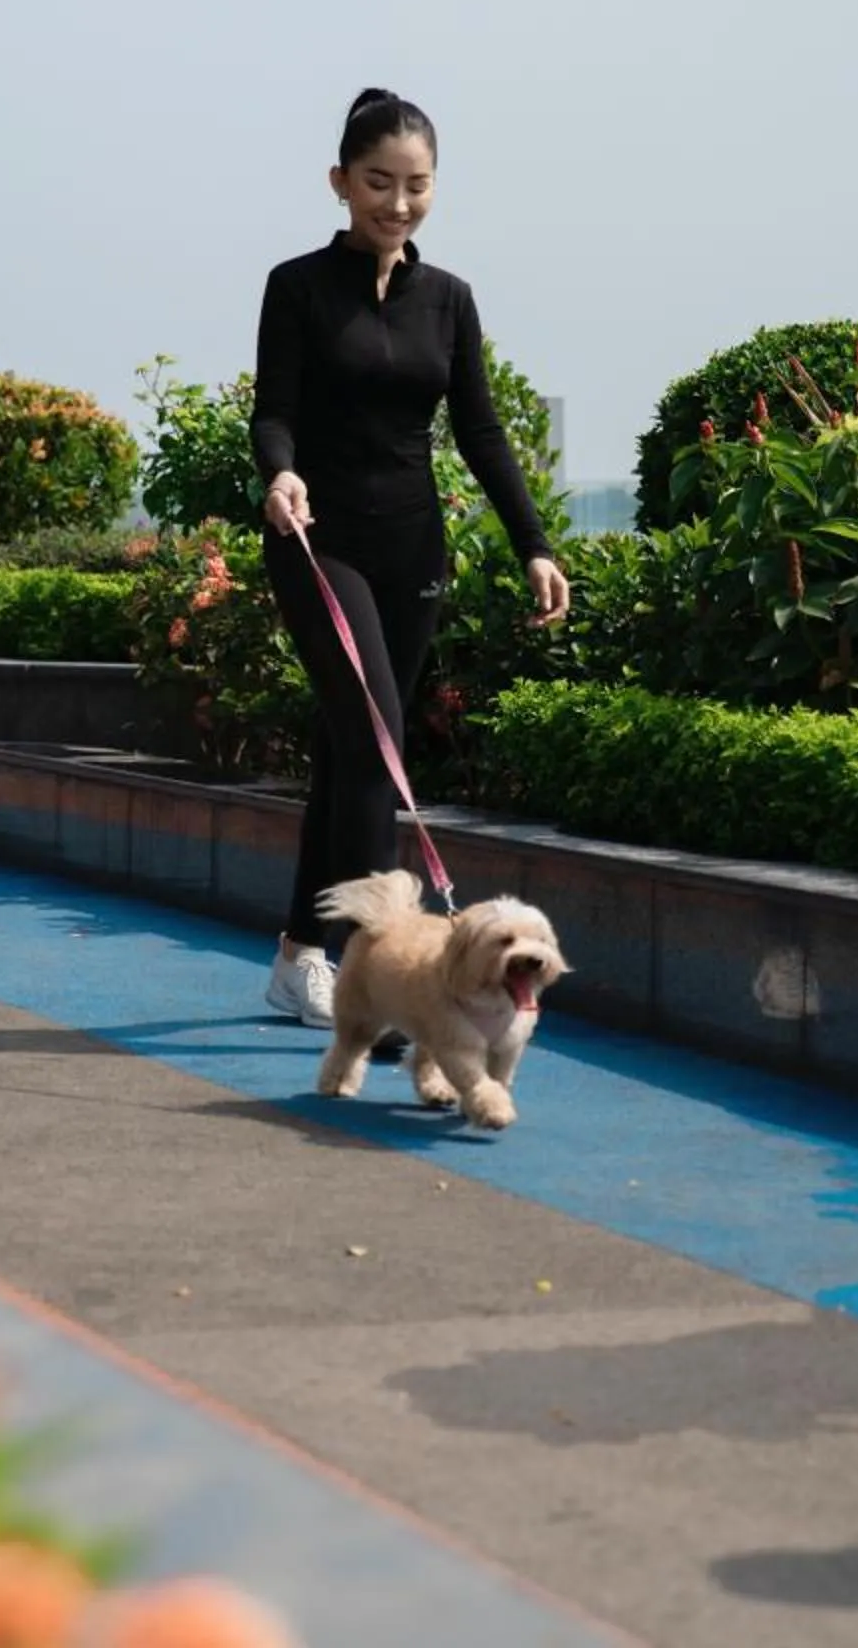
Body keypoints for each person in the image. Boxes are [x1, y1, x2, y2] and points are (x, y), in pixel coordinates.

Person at [248, 88, 572, 1029]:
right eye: (379, 182)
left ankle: (297, 954)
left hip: (411, 546)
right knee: (377, 741)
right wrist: (281, 475)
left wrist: (534, 546)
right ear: (340, 183)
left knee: (353, 752)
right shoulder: (297, 287)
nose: (397, 202)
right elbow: (274, 407)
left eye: (417, 185)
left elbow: (480, 430)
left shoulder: (449, 301)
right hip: (317, 541)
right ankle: (370, 969)